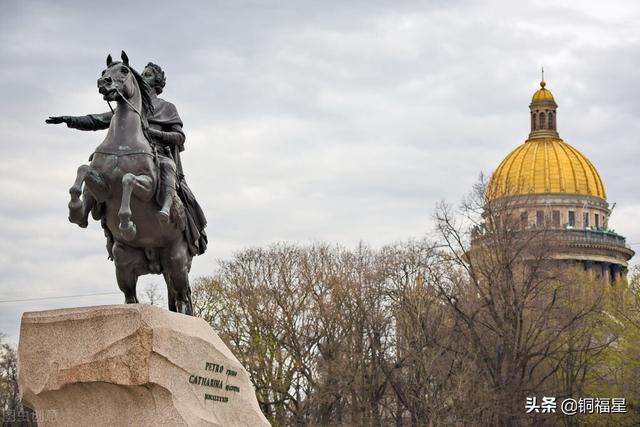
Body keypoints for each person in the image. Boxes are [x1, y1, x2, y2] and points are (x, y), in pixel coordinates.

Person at [47, 62, 207, 257]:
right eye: (143, 74)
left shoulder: (167, 107)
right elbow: (96, 120)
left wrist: (156, 133)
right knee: (96, 165)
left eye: (148, 75)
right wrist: (70, 120)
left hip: (156, 154)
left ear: (157, 82)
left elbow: (180, 137)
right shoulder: (126, 108)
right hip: (123, 153)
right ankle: (87, 211)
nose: (143, 76)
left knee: (168, 165)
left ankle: (167, 208)